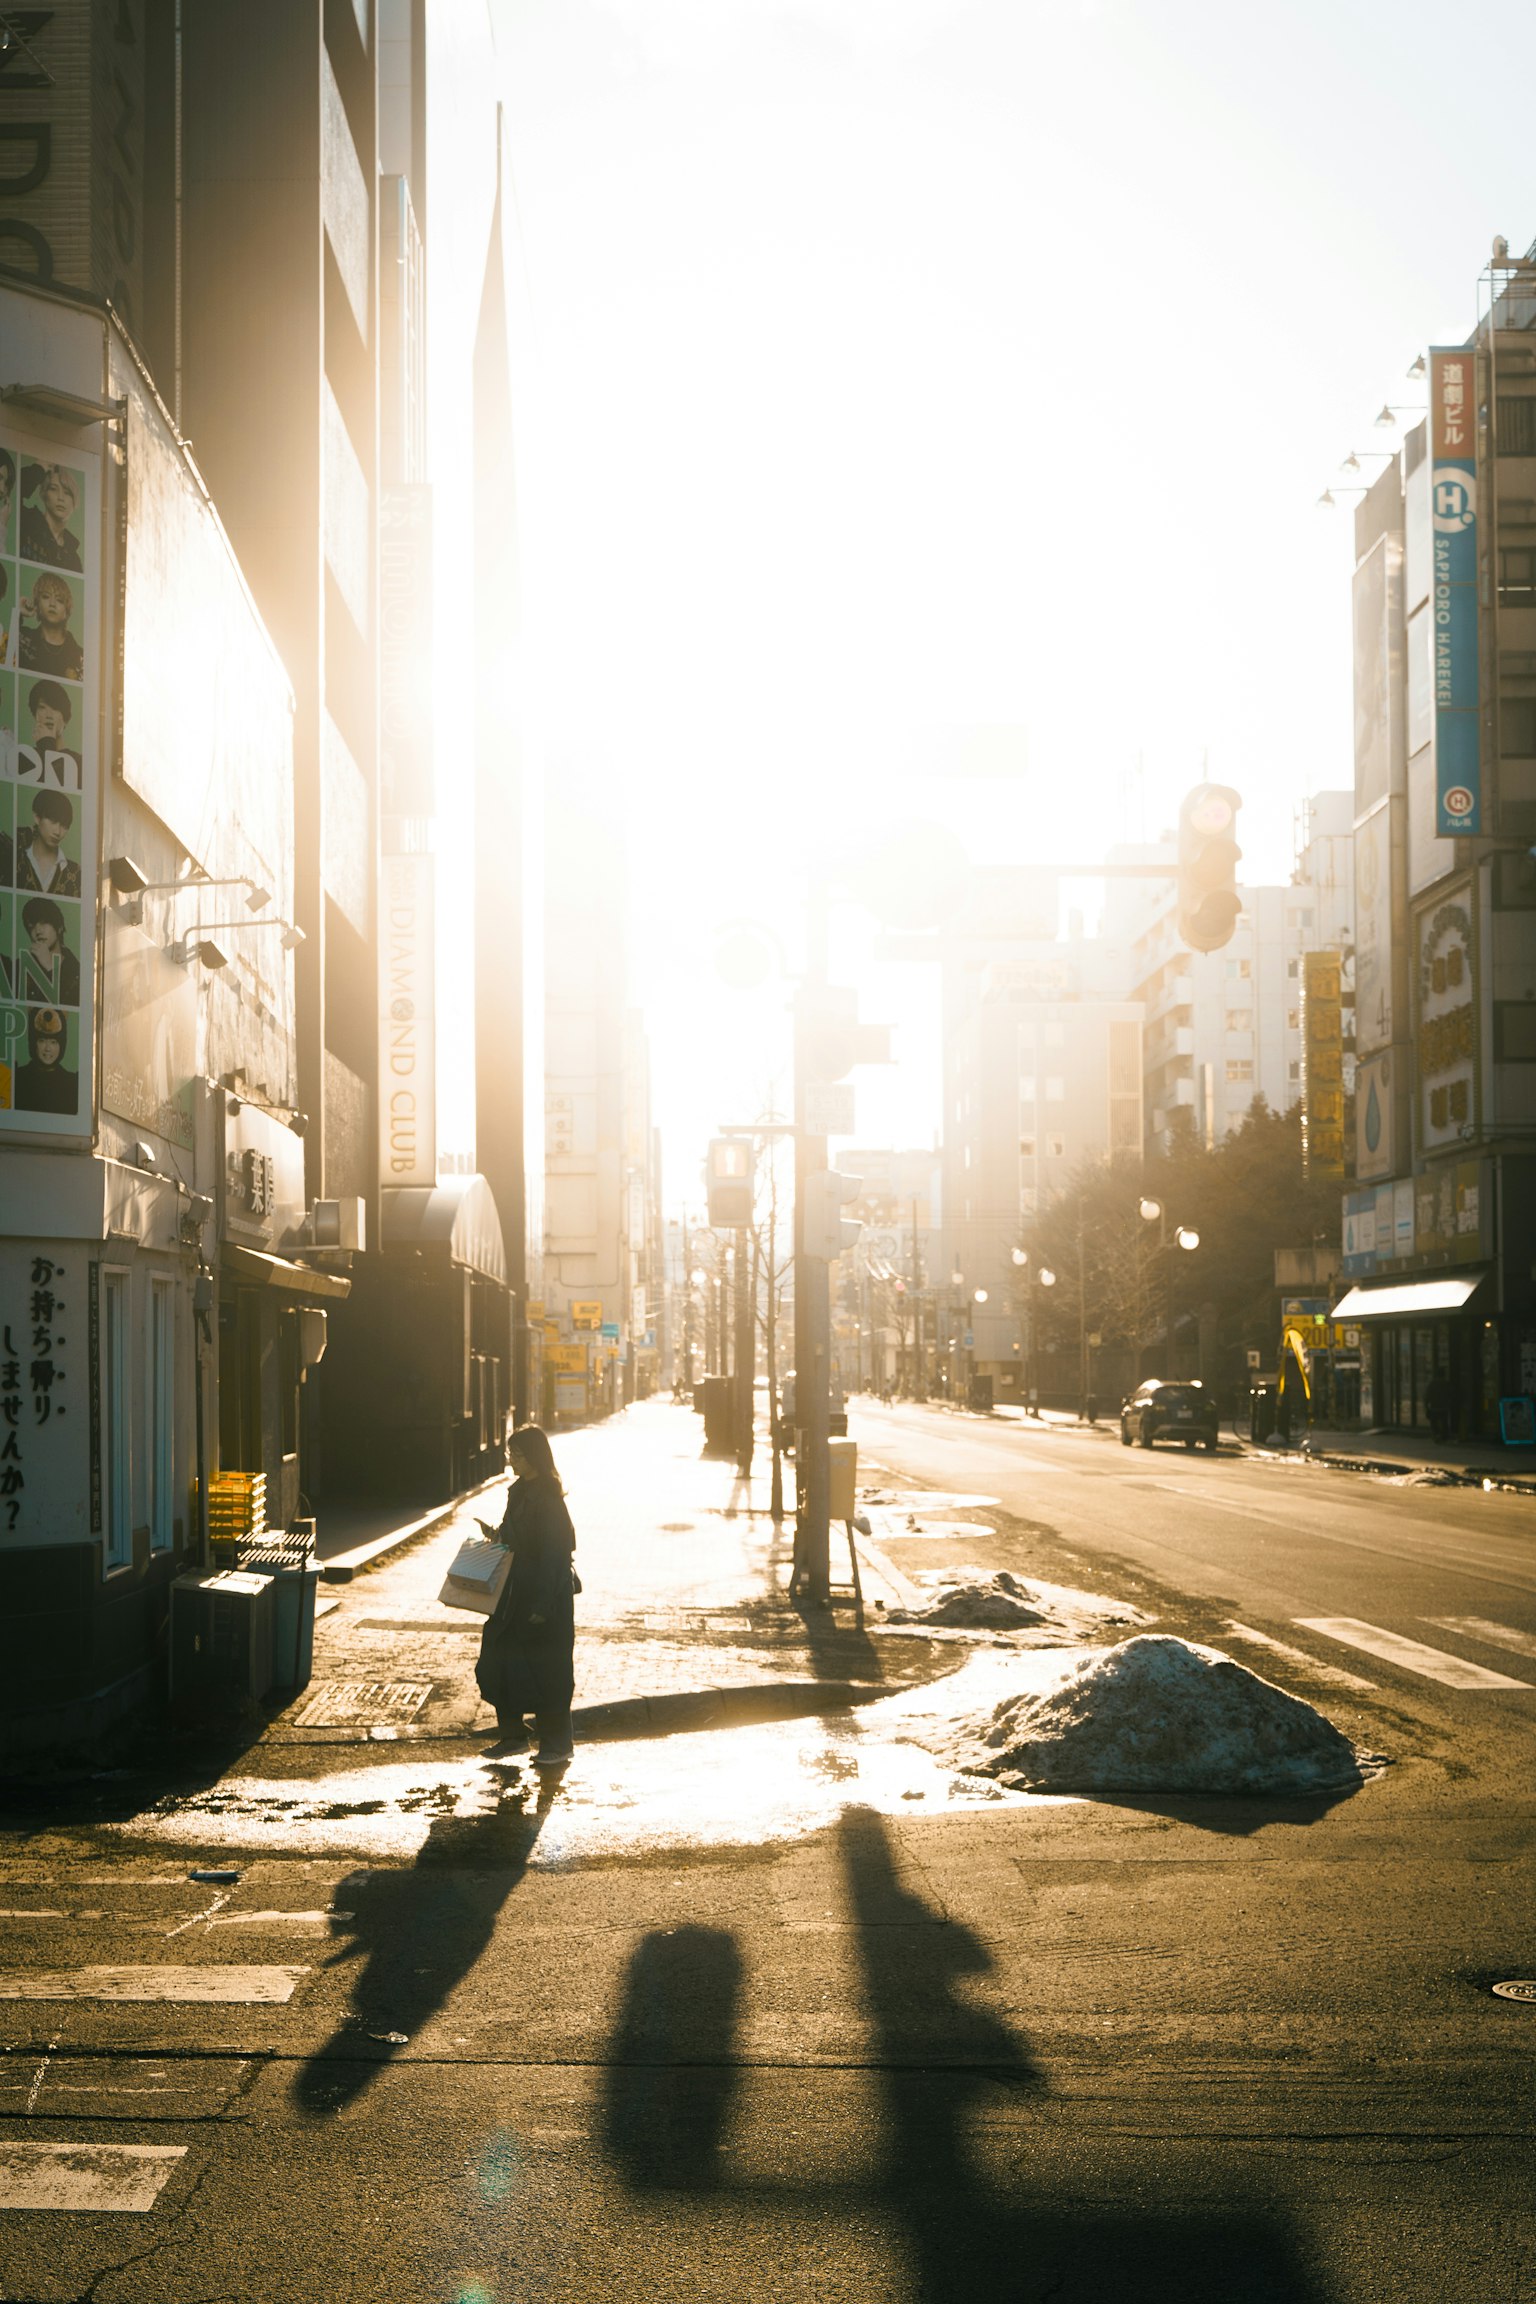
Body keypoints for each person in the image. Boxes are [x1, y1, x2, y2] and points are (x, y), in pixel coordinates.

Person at [474, 1424, 577, 1766]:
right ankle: (513, 1737)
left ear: (533, 1457)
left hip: (543, 1596)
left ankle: (558, 1745)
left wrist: (543, 1605)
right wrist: (495, 1534)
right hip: (514, 1592)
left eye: (515, 1454)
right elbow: (516, 1535)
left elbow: (555, 1555)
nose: (511, 1460)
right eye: (510, 1453)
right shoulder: (518, 1491)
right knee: (499, 1659)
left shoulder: (548, 1497)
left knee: (547, 1670)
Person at [18, 572, 84, 682]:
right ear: (37, 603)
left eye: (59, 600)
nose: (52, 603)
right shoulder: (22, 638)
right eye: (46, 596)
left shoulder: (79, 656)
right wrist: (18, 613)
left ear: (67, 610)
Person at [19, 462, 83, 572]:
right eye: (54, 489)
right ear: (44, 493)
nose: (61, 497)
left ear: (74, 502)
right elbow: (14, 489)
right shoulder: (27, 521)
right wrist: (39, 469)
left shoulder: (74, 559)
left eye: (67, 492)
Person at [16, 790, 81, 897]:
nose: (58, 832)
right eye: (53, 821)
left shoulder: (75, 872)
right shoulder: (15, 857)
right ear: (37, 818)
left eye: (64, 826)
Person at [14, 1006, 77, 1115]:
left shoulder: (73, 1083)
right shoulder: (17, 1077)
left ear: (62, 1045)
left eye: (54, 1042)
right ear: (33, 1043)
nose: (48, 1048)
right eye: (42, 1040)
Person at [19, 680, 81, 789]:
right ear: (35, 715)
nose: (49, 715)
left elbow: (56, 789)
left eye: (55, 709)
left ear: (65, 718)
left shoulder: (79, 762)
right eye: (42, 707)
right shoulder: (25, 758)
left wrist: (46, 744)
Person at [21, 898, 81, 1006]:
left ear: (59, 927)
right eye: (32, 925)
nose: (38, 931)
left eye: (44, 923)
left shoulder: (76, 970)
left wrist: (50, 967)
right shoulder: (21, 967)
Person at [1424, 1368, 1453, 1444]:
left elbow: (1427, 1396)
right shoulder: (1447, 1384)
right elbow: (1450, 1395)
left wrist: (1426, 1407)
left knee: (1434, 1423)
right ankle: (1444, 1437)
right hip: (1444, 1407)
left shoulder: (1432, 1384)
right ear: (1444, 1375)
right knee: (1444, 1422)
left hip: (1434, 1407)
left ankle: (1436, 1435)